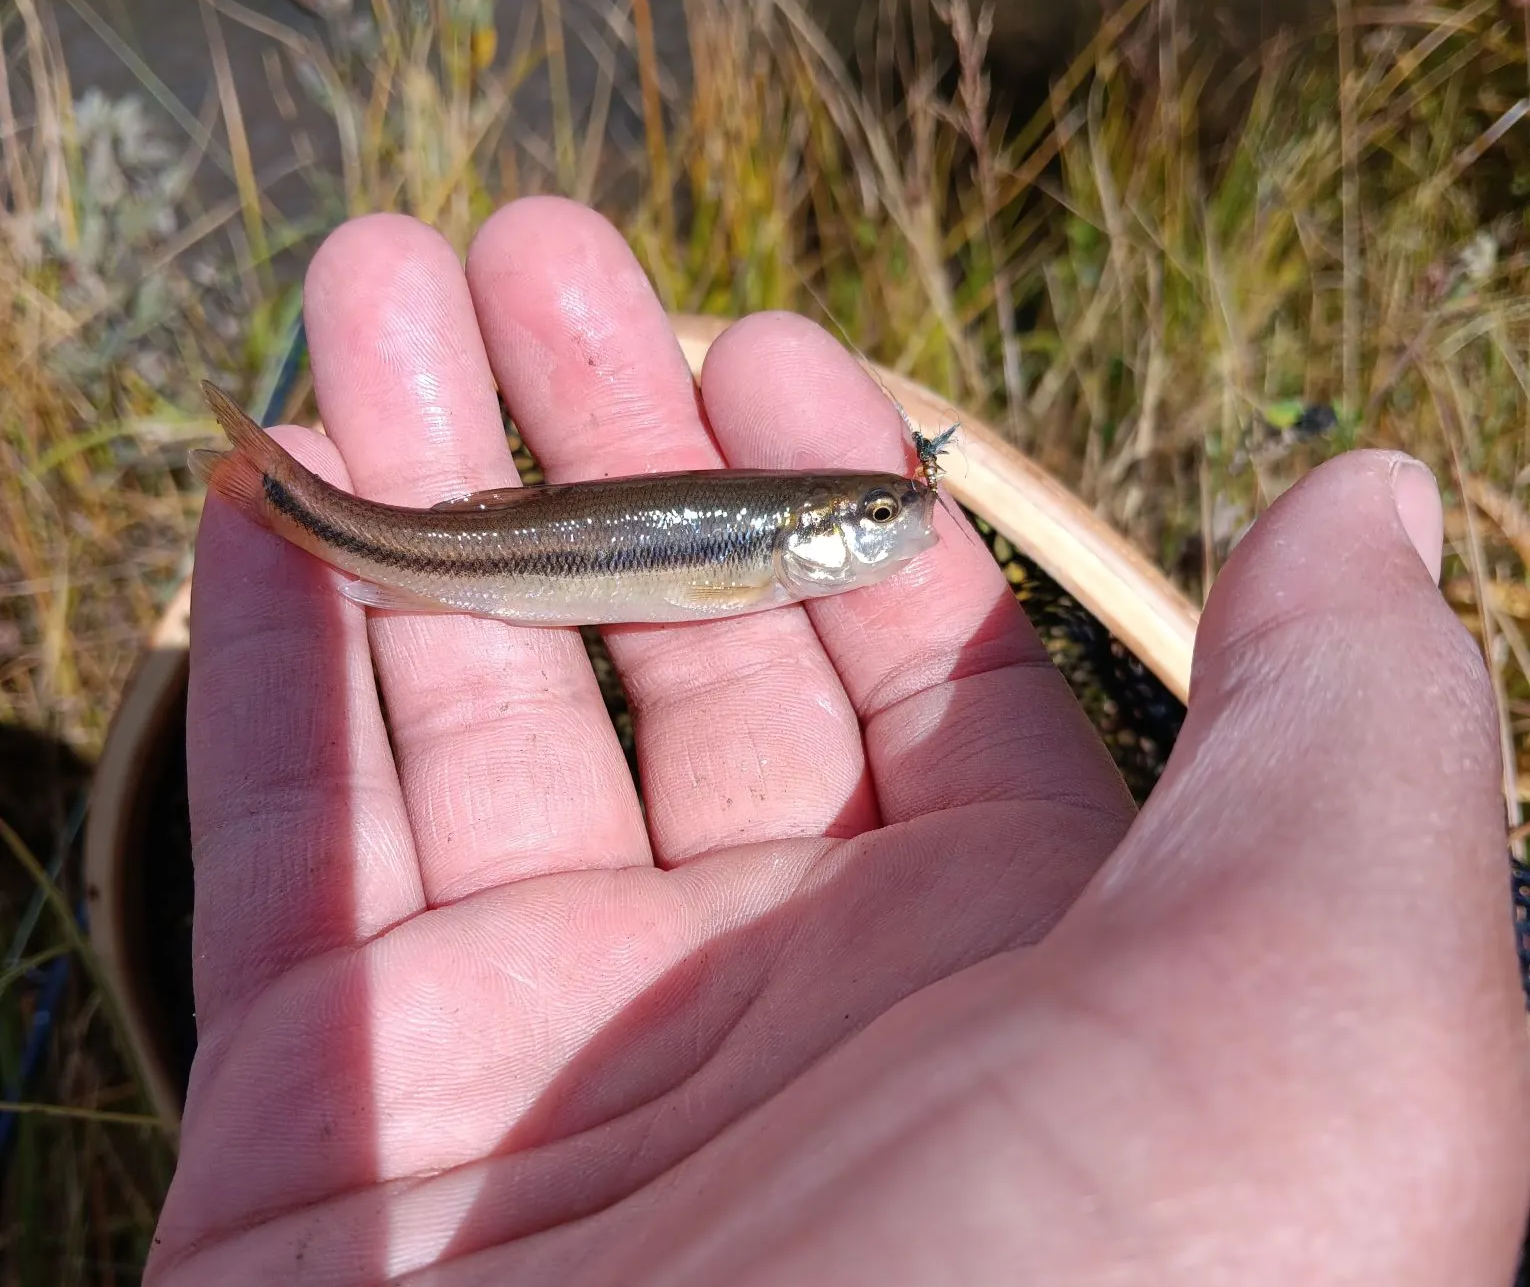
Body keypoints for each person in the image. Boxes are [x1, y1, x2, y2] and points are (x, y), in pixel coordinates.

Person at [145, 200, 1530, 1286]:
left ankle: (298, 505)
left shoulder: (776, 541)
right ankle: (291, 504)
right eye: (871, 518)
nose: (900, 524)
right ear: (802, 532)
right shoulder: (762, 541)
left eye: (883, 514)